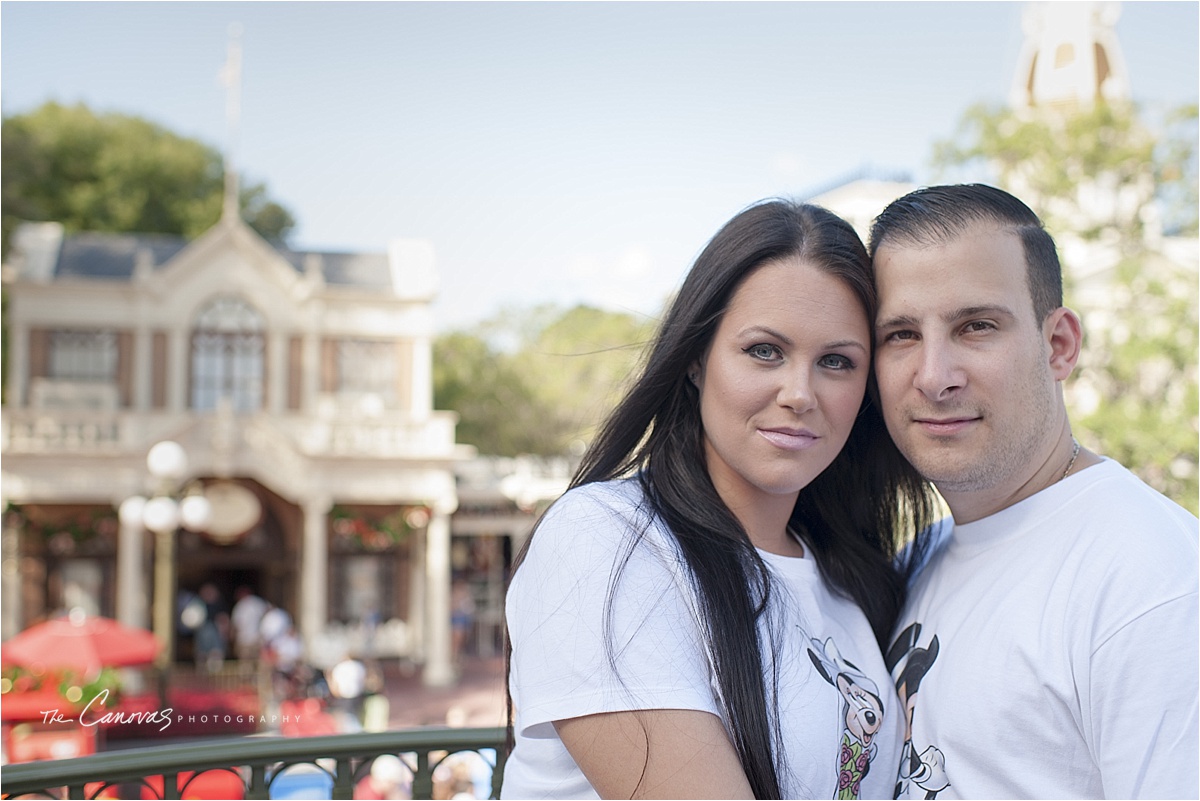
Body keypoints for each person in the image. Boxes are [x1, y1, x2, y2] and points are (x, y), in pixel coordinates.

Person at [503, 200, 936, 799]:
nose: (799, 393)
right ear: (697, 360)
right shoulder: (607, 542)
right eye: (764, 350)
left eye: (836, 362)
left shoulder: (848, 576)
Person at [868, 183, 1199, 799]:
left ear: (1059, 345)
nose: (935, 376)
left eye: (976, 326)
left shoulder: (1156, 583)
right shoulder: (918, 559)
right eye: (902, 335)